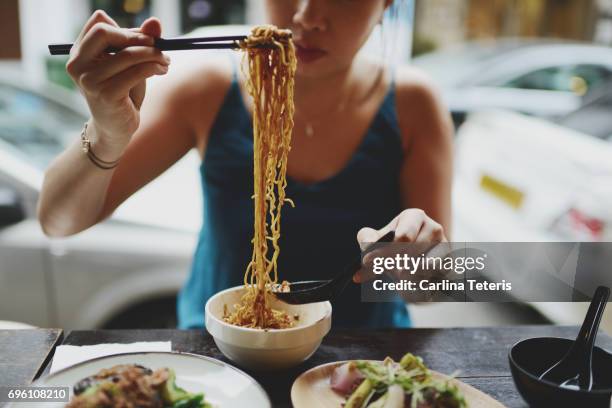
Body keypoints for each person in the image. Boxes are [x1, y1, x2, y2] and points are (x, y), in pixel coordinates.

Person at [38, 0, 453, 329]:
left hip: (362, 360)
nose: (307, 16)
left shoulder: (415, 105)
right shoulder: (206, 92)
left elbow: (434, 291)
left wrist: (419, 262)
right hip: (221, 353)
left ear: (386, 5)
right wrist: (107, 133)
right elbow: (59, 221)